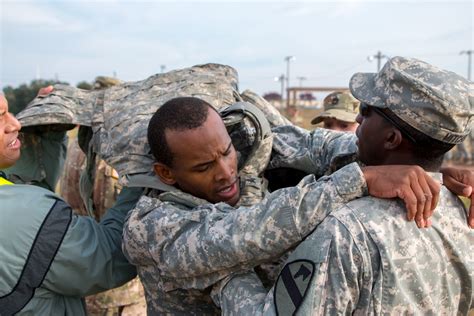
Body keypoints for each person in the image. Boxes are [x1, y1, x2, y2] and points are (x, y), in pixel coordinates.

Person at [122, 95, 473, 314]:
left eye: (227, 152)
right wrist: (359, 180)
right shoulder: (149, 226)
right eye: (203, 167)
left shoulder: (242, 148)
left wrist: (429, 170)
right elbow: (236, 235)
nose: (227, 172)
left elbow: (317, 145)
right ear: (165, 173)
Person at [214, 56, 474, 315]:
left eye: (366, 110)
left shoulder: (346, 231)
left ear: (391, 138)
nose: (359, 120)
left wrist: (225, 275)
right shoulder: (463, 217)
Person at [0, 91, 143, 315]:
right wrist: (142, 176)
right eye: (1, 116)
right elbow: (110, 256)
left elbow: (27, 202)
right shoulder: (24, 216)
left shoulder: (17, 203)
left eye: (9, 111)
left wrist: (44, 135)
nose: (15, 123)